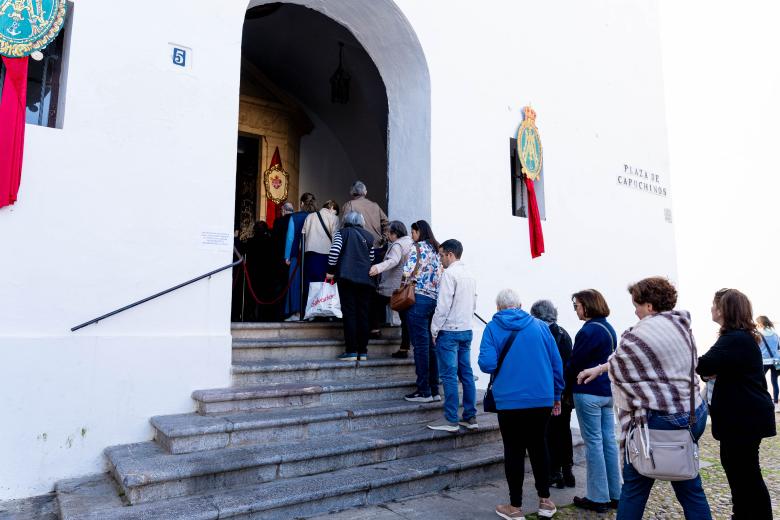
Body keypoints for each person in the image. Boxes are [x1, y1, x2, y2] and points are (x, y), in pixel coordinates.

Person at [577, 277, 712, 519]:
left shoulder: (639, 334)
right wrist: (599, 369)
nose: (635, 311)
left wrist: (604, 369)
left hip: (658, 420)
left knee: (635, 488)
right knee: (689, 485)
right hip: (692, 411)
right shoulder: (681, 325)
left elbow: (621, 368)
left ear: (649, 306)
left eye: (637, 305)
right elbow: (645, 363)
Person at [478, 289, 563, 520]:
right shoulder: (540, 327)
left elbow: (486, 364)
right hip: (541, 399)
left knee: (513, 450)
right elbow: (557, 364)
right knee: (539, 446)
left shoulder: (492, 328)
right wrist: (557, 395)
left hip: (509, 401)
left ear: (498, 308)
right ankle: (545, 501)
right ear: (521, 305)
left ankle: (515, 507)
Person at [696, 288, 776, 520]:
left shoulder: (735, 339)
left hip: (744, 419)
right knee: (744, 473)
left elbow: (704, 364)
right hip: (745, 417)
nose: (711, 308)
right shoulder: (739, 337)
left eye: (715, 304)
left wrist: (706, 369)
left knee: (744, 474)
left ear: (725, 309)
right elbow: (712, 368)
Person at [567, 289, 621, 513]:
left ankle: (598, 497)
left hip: (588, 391)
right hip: (607, 391)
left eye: (577, 306)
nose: (576, 310)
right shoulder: (609, 328)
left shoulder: (588, 331)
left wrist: (562, 382)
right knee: (609, 442)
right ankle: (615, 494)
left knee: (594, 444)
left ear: (587, 306)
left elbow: (574, 363)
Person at [426, 239, 478, 432]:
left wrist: (434, 329)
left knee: (448, 376)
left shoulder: (449, 274)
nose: (440, 260)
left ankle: (450, 419)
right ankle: (470, 417)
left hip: (449, 330)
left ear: (450, 254)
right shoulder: (470, 274)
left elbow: (443, 305)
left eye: (441, 255)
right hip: (466, 329)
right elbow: (473, 304)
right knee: (466, 374)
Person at [530, 299, 575, 490]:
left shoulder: (537, 333)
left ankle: (553, 472)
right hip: (565, 392)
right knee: (564, 431)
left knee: (548, 433)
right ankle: (567, 472)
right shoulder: (564, 333)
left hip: (547, 392)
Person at [326, 211, 375, 361]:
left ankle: (352, 351)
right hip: (366, 280)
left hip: (347, 277)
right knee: (363, 314)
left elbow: (334, 252)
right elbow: (371, 257)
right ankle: (363, 351)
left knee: (350, 313)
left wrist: (330, 271)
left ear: (346, 220)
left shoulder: (342, 233)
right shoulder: (369, 236)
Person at [401, 220, 442, 403]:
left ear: (419, 231)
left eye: (413, 232)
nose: (412, 236)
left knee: (420, 346)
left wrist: (403, 283)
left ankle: (423, 391)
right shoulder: (437, 249)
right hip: (434, 300)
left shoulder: (417, 248)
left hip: (417, 299)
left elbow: (406, 271)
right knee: (431, 347)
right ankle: (434, 390)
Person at [369, 221, 414, 355]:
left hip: (392, 285)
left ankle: (375, 330)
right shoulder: (410, 243)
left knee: (374, 303)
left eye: (389, 232)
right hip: (404, 285)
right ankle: (404, 347)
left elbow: (393, 261)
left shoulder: (398, 245)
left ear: (395, 233)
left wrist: (377, 267)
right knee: (405, 318)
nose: (387, 235)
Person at [301, 200, 339, 313]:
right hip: (325, 255)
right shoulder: (334, 218)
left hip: (309, 254)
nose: (335, 214)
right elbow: (335, 239)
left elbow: (303, 234)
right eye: (336, 211)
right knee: (324, 284)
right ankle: (323, 311)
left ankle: (309, 311)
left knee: (309, 283)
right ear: (332, 208)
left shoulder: (310, 216)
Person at [284, 193, 317, 321]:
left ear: (302, 203)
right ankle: (310, 312)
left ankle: (297, 313)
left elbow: (290, 238)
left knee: (295, 284)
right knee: (310, 283)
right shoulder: (315, 217)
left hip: (296, 256)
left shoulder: (295, 217)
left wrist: (287, 256)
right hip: (312, 255)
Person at [340, 180, 389, 250]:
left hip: (358, 247)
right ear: (365, 192)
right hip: (376, 246)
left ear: (352, 193)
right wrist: (383, 239)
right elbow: (387, 224)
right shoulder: (375, 206)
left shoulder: (350, 205)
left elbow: (343, 227)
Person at [269, 202, 295, 321]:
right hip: (292, 259)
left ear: (283, 210)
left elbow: (274, 241)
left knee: (279, 286)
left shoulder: (278, 222)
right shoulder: (295, 220)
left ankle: (277, 313)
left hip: (279, 259)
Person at [756, 315, 780, 411]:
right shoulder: (775, 334)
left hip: (764, 361)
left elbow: (755, 347)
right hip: (776, 361)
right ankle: (776, 405)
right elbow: (778, 347)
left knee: (760, 382)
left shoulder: (758, 334)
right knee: (774, 382)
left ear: (760, 323)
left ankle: (763, 402)